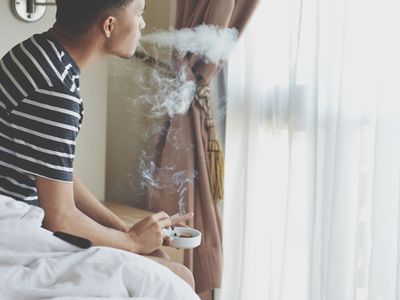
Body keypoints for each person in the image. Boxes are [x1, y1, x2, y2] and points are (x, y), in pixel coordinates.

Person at [0, 0, 195, 288]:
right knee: (179, 278)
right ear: (109, 25)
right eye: (139, 13)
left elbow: (56, 173)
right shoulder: (57, 91)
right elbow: (61, 218)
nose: (142, 24)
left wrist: (122, 228)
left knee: (160, 260)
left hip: (17, 218)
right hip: (15, 233)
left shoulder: (36, 52)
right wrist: (131, 241)